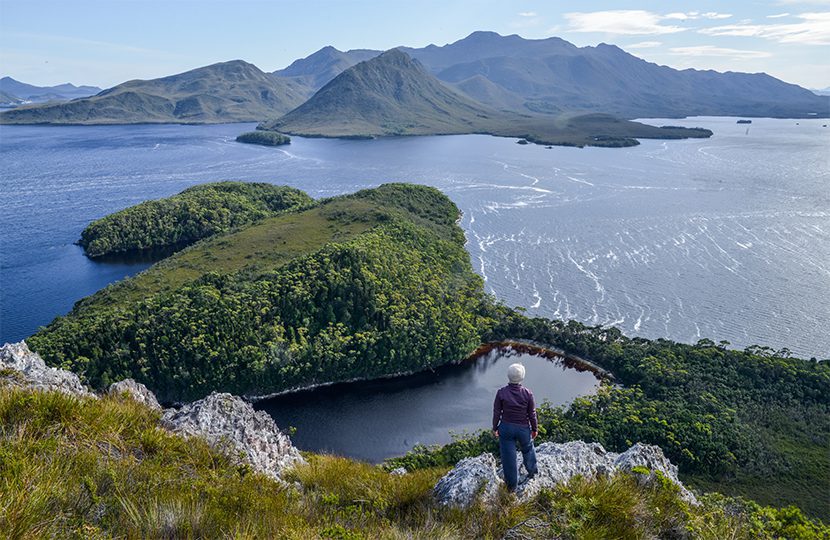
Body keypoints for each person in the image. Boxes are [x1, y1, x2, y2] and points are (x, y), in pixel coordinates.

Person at [492, 362, 538, 491]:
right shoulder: (527, 393)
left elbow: (497, 413)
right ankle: (532, 472)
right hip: (523, 428)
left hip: (506, 428)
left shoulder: (501, 393)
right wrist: (535, 429)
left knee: (508, 457)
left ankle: (512, 487)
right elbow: (532, 413)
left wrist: (495, 428)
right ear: (522, 377)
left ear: (508, 376)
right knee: (528, 449)